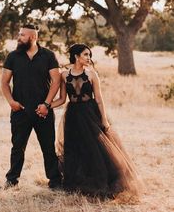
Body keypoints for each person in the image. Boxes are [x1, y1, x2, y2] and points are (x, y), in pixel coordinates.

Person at [51, 43, 142, 199]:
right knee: (75, 148)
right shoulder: (64, 75)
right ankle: (77, 183)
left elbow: (99, 100)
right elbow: (62, 99)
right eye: (86, 54)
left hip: (90, 114)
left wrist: (104, 120)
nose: (89, 58)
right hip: (73, 115)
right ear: (76, 56)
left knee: (95, 148)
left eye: (89, 55)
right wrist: (46, 106)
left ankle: (100, 182)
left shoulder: (92, 74)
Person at [1, 24, 62, 190]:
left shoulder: (48, 55)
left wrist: (46, 104)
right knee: (17, 147)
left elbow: (56, 81)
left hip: (43, 112)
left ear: (33, 37)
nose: (19, 37)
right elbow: (4, 82)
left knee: (48, 148)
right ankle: (12, 180)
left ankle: (55, 181)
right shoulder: (13, 56)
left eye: (22, 35)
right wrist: (11, 102)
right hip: (20, 111)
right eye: (19, 34)